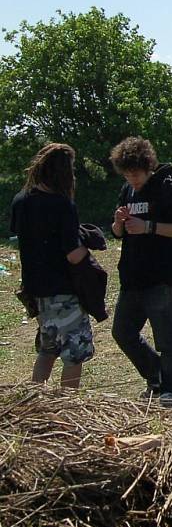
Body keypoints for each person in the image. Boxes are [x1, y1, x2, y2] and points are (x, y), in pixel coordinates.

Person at [110, 137, 172, 408]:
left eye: (135, 173)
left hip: (161, 274)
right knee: (122, 332)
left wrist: (148, 227)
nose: (132, 179)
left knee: (166, 336)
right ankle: (155, 373)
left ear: (147, 167)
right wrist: (118, 223)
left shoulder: (167, 189)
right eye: (127, 174)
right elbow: (117, 232)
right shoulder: (127, 191)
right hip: (132, 275)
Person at [9, 144, 93, 388]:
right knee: (74, 353)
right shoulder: (62, 205)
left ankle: (36, 402)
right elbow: (73, 256)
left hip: (36, 291)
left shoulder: (20, 201)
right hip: (63, 291)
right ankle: (65, 409)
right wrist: (89, 244)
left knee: (48, 349)